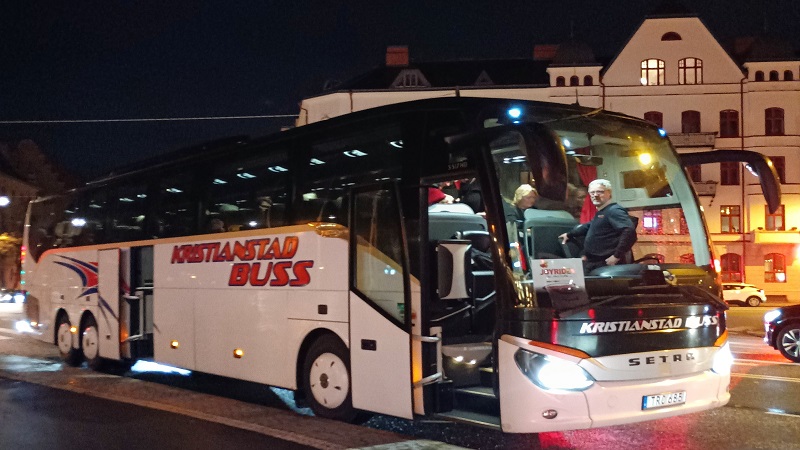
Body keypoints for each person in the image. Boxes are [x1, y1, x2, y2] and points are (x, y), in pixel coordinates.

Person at [558, 179, 636, 272]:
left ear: (609, 193)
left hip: (606, 263)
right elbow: (589, 225)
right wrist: (570, 234)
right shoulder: (602, 212)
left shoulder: (614, 210)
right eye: (592, 192)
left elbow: (629, 231)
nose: (595, 195)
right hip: (593, 262)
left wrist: (616, 256)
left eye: (600, 192)